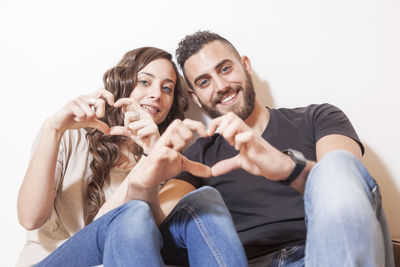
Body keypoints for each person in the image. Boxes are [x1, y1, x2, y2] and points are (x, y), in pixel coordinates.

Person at [171, 31, 395, 266]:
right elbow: (166, 215)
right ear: (195, 98)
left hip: (326, 251)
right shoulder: (197, 155)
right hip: (250, 262)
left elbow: (345, 183)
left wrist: (288, 168)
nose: (221, 86)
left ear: (246, 65)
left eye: (225, 69)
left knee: (336, 165)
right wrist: (151, 159)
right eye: (204, 82)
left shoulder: (318, 117)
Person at [17, 47, 247, 267]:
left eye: (167, 88)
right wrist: (53, 128)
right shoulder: (70, 135)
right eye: (145, 82)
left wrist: (151, 156)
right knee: (133, 213)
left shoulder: (171, 159)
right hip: (52, 261)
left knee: (205, 197)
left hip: (118, 256)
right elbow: (30, 218)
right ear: (123, 83)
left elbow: (135, 235)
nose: (157, 94)